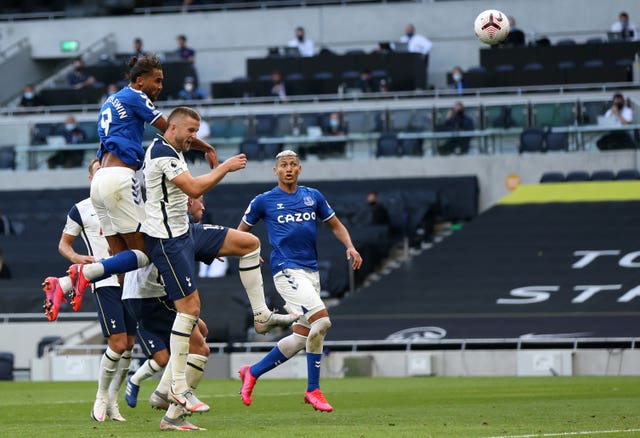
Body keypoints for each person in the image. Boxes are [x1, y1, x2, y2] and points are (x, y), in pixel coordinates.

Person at [142, 107, 295, 412]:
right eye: (191, 132)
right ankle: (177, 386)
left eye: (197, 132)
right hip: (168, 240)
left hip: (187, 230)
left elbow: (190, 165)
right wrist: (224, 167)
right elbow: (195, 187)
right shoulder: (162, 154)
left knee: (249, 243)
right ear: (173, 128)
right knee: (191, 310)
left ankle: (261, 315)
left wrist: (206, 147)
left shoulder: (172, 146)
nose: (194, 137)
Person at [41, 54, 217, 317]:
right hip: (120, 179)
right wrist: (206, 147)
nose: (159, 86)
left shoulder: (110, 101)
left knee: (120, 257)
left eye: (162, 81)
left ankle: (116, 307)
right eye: (156, 81)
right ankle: (75, 278)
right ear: (139, 80)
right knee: (144, 252)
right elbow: (171, 130)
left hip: (100, 179)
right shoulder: (135, 96)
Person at [237, 149, 363, 413]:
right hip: (286, 271)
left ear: (300, 169)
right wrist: (247, 252)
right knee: (323, 321)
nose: (289, 169)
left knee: (300, 337)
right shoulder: (264, 201)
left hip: (311, 273)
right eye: (284, 165)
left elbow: (336, 224)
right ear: (276, 171)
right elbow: (240, 232)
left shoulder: (312, 196)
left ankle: (252, 371)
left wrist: (350, 246)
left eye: (293, 164)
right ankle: (313, 390)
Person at [45, 158, 137, 422]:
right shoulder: (81, 210)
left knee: (129, 345)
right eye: (98, 173)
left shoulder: (127, 203)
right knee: (117, 343)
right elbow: (64, 245)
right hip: (104, 280)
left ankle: (113, 402)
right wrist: (76, 258)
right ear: (91, 180)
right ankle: (100, 396)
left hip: (132, 280)